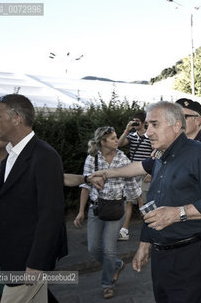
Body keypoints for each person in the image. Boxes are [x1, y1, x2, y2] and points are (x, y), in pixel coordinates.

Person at [91, 101, 201, 303]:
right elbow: (154, 203)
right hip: (160, 256)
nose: (148, 133)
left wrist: (178, 213)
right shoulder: (160, 156)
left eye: (155, 125)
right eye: (147, 126)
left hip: (189, 257)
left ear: (175, 126)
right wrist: (144, 244)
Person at [0, 94, 68, 303]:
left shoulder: (44, 156)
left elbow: (51, 214)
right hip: (13, 256)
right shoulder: (12, 154)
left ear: (17, 119)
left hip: (26, 262)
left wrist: (36, 262)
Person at [74, 126, 141, 299]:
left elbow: (132, 182)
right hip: (96, 209)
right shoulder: (92, 159)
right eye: (112, 138)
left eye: (116, 137)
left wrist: (140, 204)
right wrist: (81, 211)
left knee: (109, 250)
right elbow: (85, 185)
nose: (116, 140)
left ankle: (107, 284)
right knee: (94, 248)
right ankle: (116, 265)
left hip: (116, 208)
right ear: (102, 142)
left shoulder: (122, 158)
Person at [117, 112, 151, 241]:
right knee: (129, 202)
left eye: (137, 121)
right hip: (132, 173)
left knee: (145, 203)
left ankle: (149, 229)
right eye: (133, 121)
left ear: (143, 122)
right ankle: (124, 230)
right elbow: (119, 144)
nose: (135, 123)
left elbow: (156, 154)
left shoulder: (150, 136)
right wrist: (126, 130)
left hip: (144, 174)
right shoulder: (132, 136)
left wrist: (150, 172)